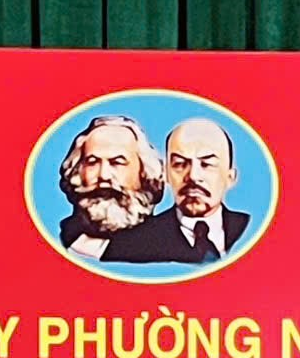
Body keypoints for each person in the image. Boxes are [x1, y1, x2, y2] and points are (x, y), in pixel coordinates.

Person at [104, 118, 252, 265]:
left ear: (230, 177)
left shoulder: (250, 231)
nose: (193, 176)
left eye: (207, 164)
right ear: (166, 174)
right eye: (180, 164)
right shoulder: (131, 244)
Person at [54, 113, 164, 259]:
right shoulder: (61, 237)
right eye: (92, 162)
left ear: (144, 173)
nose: (104, 175)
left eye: (117, 162)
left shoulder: (163, 244)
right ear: (77, 171)